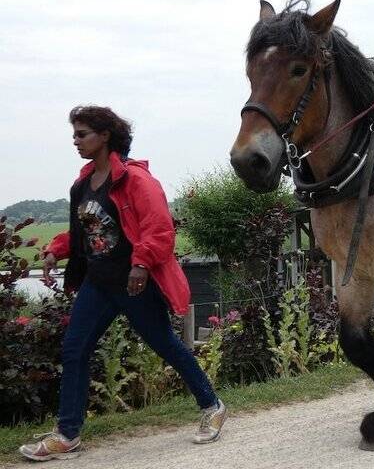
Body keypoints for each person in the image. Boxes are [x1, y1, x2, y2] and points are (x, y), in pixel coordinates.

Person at [19, 106, 227, 461]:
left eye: (82, 134)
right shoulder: (82, 184)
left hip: (134, 285)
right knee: (74, 349)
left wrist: (141, 264)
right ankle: (68, 434)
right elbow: (85, 232)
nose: (75, 141)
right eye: (74, 134)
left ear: (105, 136)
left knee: (165, 344)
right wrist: (55, 250)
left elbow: (159, 229)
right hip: (98, 283)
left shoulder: (136, 180)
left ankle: (212, 406)